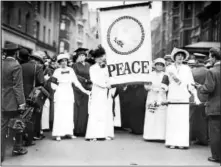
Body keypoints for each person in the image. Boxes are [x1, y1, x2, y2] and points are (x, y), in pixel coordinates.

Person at [163, 48, 200, 149]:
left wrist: (196, 97)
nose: (180, 57)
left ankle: (182, 143)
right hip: (172, 97)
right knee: (172, 120)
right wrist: (162, 92)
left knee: (182, 121)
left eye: (182, 56)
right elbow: (165, 82)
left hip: (183, 97)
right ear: (174, 57)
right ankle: (172, 142)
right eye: (178, 55)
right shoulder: (169, 68)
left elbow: (191, 84)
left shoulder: (187, 68)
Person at [51, 53, 90, 141]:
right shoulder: (56, 71)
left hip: (69, 92)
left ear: (67, 62)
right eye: (62, 61)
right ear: (59, 63)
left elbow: (76, 82)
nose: (64, 63)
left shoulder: (71, 70)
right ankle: (58, 134)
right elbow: (53, 84)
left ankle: (69, 132)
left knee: (69, 113)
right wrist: (57, 90)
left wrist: (85, 91)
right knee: (60, 113)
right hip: (60, 92)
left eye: (65, 61)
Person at [1, 43, 27, 161]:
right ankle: (17, 148)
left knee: (2, 127)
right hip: (12, 101)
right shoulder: (16, 65)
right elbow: (18, 86)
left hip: (2, 100)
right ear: (16, 53)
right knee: (18, 124)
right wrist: (21, 102)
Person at [196, 47, 220, 163]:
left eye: (210, 56)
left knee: (215, 133)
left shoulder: (212, 71)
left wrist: (200, 87)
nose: (209, 59)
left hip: (215, 107)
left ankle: (216, 156)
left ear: (214, 57)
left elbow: (208, 88)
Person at [85, 45, 114, 141]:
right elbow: (94, 80)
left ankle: (103, 134)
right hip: (97, 91)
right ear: (96, 58)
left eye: (103, 57)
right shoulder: (93, 68)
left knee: (104, 112)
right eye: (100, 57)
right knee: (96, 112)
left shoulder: (106, 67)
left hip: (105, 92)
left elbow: (109, 78)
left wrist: (109, 84)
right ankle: (93, 134)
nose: (102, 59)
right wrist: (105, 85)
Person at [21, 51, 45, 142]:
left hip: (21, 93)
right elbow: (41, 82)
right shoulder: (38, 67)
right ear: (38, 60)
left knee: (22, 115)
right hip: (33, 94)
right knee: (33, 116)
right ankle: (31, 137)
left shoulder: (21, 66)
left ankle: (21, 135)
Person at [143, 58, 167, 141]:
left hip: (162, 97)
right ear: (155, 65)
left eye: (161, 65)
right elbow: (146, 86)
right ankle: (149, 135)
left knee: (161, 115)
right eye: (158, 64)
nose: (159, 66)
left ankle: (161, 136)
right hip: (152, 96)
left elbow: (168, 86)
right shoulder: (150, 74)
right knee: (151, 114)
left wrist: (162, 89)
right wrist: (152, 88)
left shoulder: (165, 75)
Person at [188, 59, 209, 146]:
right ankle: (203, 138)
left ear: (196, 62)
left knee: (192, 119)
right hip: (205, 97)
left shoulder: (191, 71)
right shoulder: (208, 71)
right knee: (204, 119)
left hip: (193, 97)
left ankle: (191, 137)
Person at [72, 48, 92, 137]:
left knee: (85, 109)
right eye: (80, 55)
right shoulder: (75, 65)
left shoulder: (88, 65)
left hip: (87, 88)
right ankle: (76, 129)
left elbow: (91, 74)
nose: (82, 57)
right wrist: (84, 80)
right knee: (77, 108)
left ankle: (84, 129)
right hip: (78, 88)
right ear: (77, 56)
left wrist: (90, 81)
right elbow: (74, 76)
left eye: (83, 55)